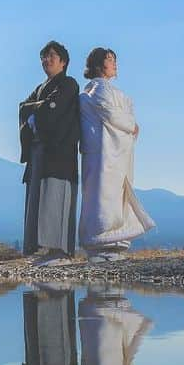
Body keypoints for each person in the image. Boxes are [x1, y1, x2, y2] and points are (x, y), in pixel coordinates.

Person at [78, 48, 155, 262]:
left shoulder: (102, 92)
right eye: (110, 59)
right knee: (103, 195)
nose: (114, 64)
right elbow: (111, 113)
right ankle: (102, 240)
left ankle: (110, 241)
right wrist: (131, 125)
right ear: (98, 64)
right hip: (104, 153)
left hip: (109, 152)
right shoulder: (98, 89)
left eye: (114, 60)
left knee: (105, 195)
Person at [19, 41, 81, 262]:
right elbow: (23, 107)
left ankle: (59, 250)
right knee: (39, 196)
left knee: (56, 195)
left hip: (59, 152)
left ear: (63, 62)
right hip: (40, 152)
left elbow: (46, 110)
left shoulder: (69, 84)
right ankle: (42, 248)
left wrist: (36, 111)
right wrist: (38, 109)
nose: (47, 60)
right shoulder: (40, 88)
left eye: (52, 56)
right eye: (44, 56)